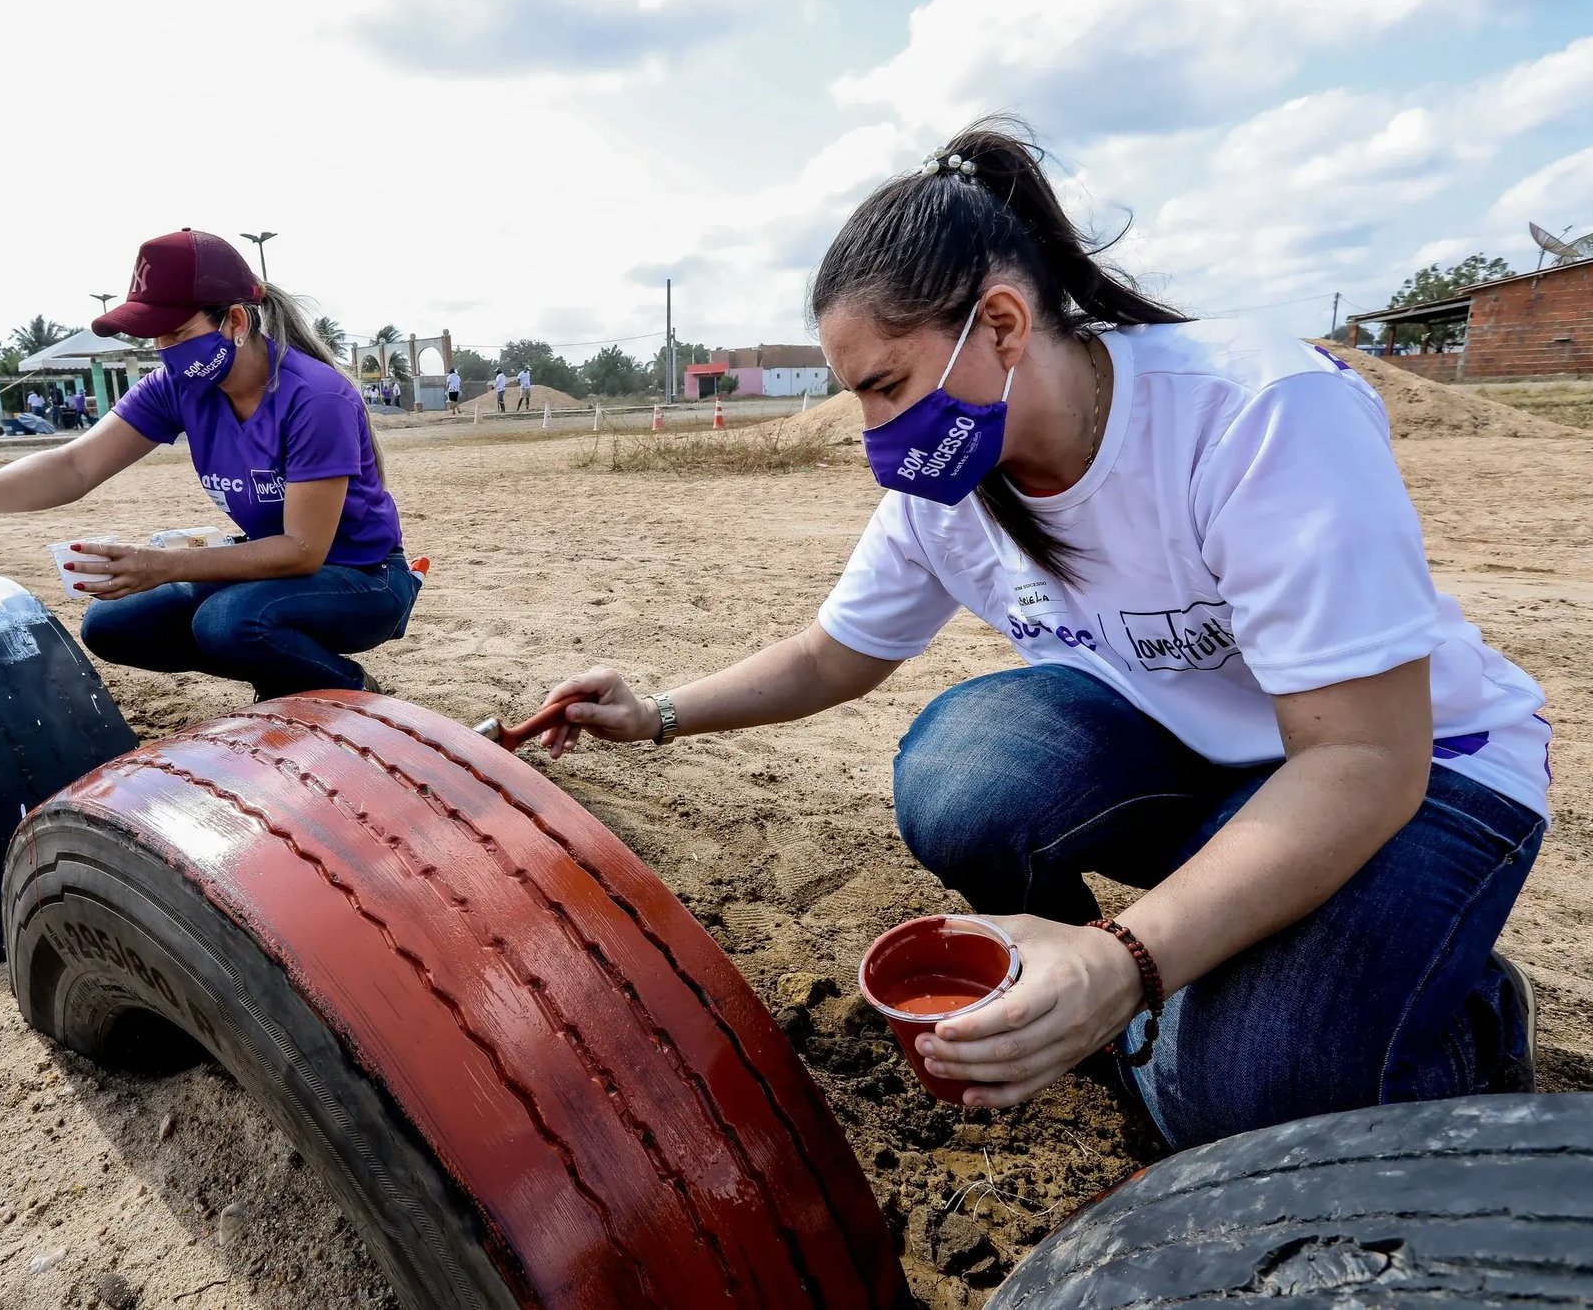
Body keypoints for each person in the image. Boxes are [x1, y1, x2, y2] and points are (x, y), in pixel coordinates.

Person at [533, 121, 1550, 1153]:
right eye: (860, 398)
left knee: (1236, 1098)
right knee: (963, 773)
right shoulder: (948, 488)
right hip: (1208, 755)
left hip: (1419, 772)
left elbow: (1364, 757)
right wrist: (654, 714)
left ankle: (1461, 1021)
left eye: (887, 386)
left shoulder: (1255, 417)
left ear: (1003, 325)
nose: (876, 430)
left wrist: (1124, 962)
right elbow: (828, 654)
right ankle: (1164, 978)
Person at [0, 228, 418, 699]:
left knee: (230, 622)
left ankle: (353, 695)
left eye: (178, 332)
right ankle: (288, 677)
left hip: (362, 578)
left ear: (236, 321)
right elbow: (74, 467)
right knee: (112, 625)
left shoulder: (313, 397)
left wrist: (165, 565)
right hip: (267, 572)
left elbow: (302, 551)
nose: (165, 350)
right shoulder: (178, 386)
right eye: (155, 337)